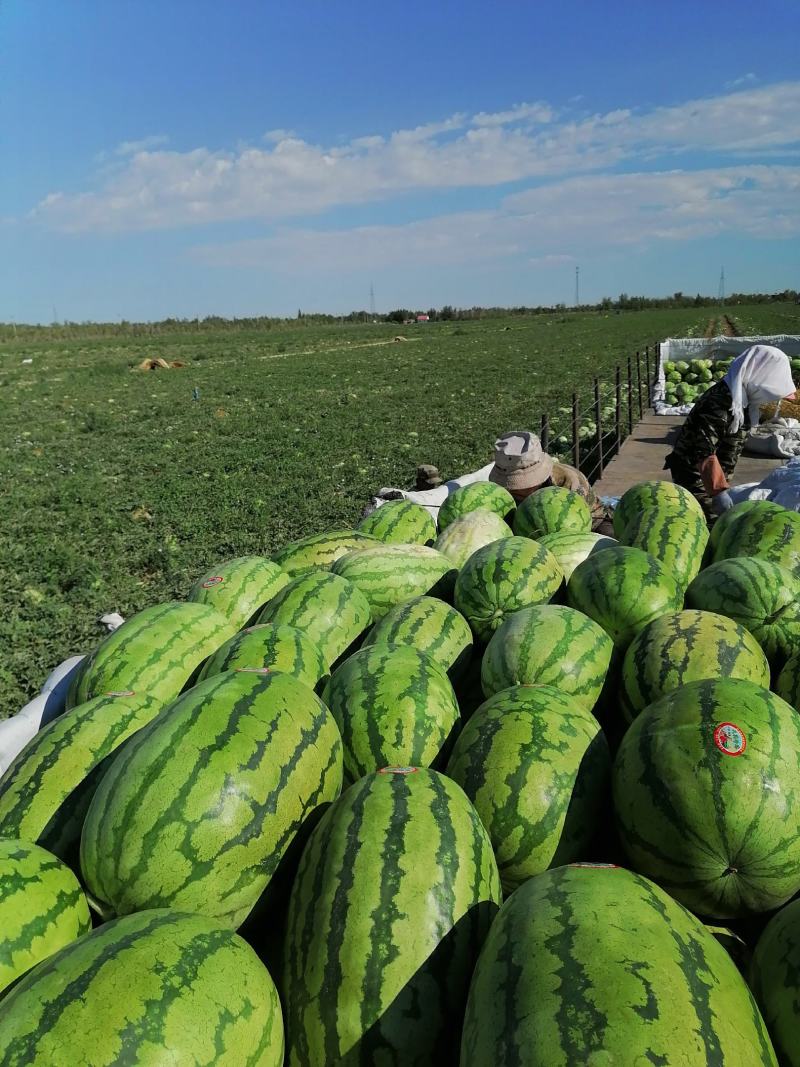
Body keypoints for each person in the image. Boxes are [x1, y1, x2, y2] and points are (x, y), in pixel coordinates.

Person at [664, 344, 796, 519]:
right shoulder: (719, 403)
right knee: (706, 523)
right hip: (696, 476)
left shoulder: (741, 399)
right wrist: (718, 491)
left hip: (714, 478)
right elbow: (702, 451)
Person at [488, 430, 605, 527]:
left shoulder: (569, 483)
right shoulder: (498, 493)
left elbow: (581, 524)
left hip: (593, 522)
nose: (516, 489)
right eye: (510, 483)